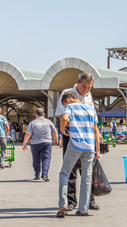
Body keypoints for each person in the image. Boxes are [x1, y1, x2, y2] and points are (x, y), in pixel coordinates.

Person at [55, 72, 100, 211]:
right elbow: (62, 115)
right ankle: (72, 201)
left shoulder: (88, 96)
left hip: (87, 136)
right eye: (84, 86)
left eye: (89, 87)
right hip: (72, 134)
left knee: (87, 172)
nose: (86, 90)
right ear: (77, 82)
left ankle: (88, 202)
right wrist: (69, 127)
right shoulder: (67, 94)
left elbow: (94, 123)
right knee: (71, 170)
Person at [22, 108, 58, 181]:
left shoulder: (32, 123)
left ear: (35, 114)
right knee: (46, 159)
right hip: (47, 142)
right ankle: (45, 175)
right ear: (44, 114)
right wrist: (56, 140)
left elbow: (28, 134)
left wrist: (24, 143)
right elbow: (55, 132)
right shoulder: (49, 122)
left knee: (36, 159)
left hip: (35, 143)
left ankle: (37, 174)